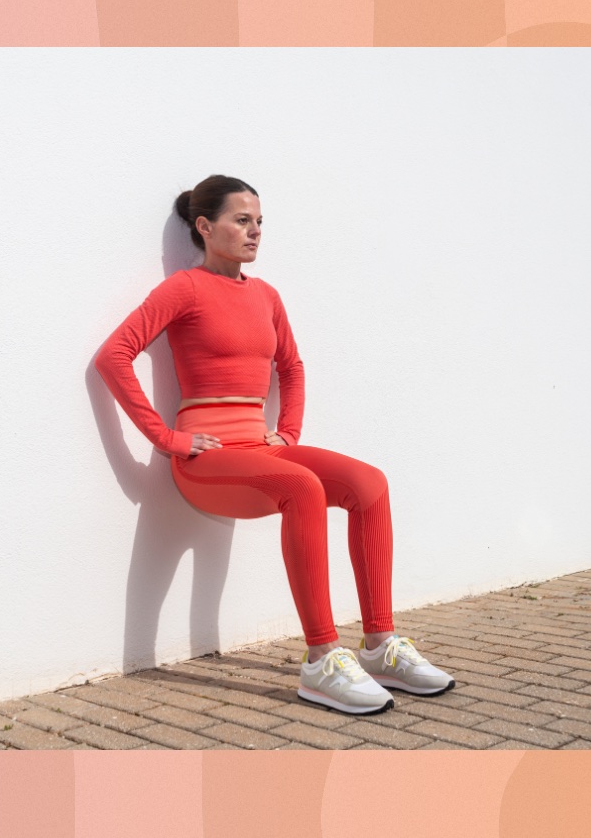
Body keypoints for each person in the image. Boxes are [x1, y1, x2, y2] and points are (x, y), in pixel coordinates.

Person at [95, 174, 455, 715]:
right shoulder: (183, 290)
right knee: (302, 486)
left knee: (369, 484)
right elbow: (112, 356)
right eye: (242, 220)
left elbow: (291, 366)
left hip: (262, 453)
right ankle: (320, 661)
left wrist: (288, 431)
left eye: (260, 221)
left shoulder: (266, 296)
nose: (255, 231)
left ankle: (380, 645)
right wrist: (167, 439)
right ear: (204, 226)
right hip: (208, 460)